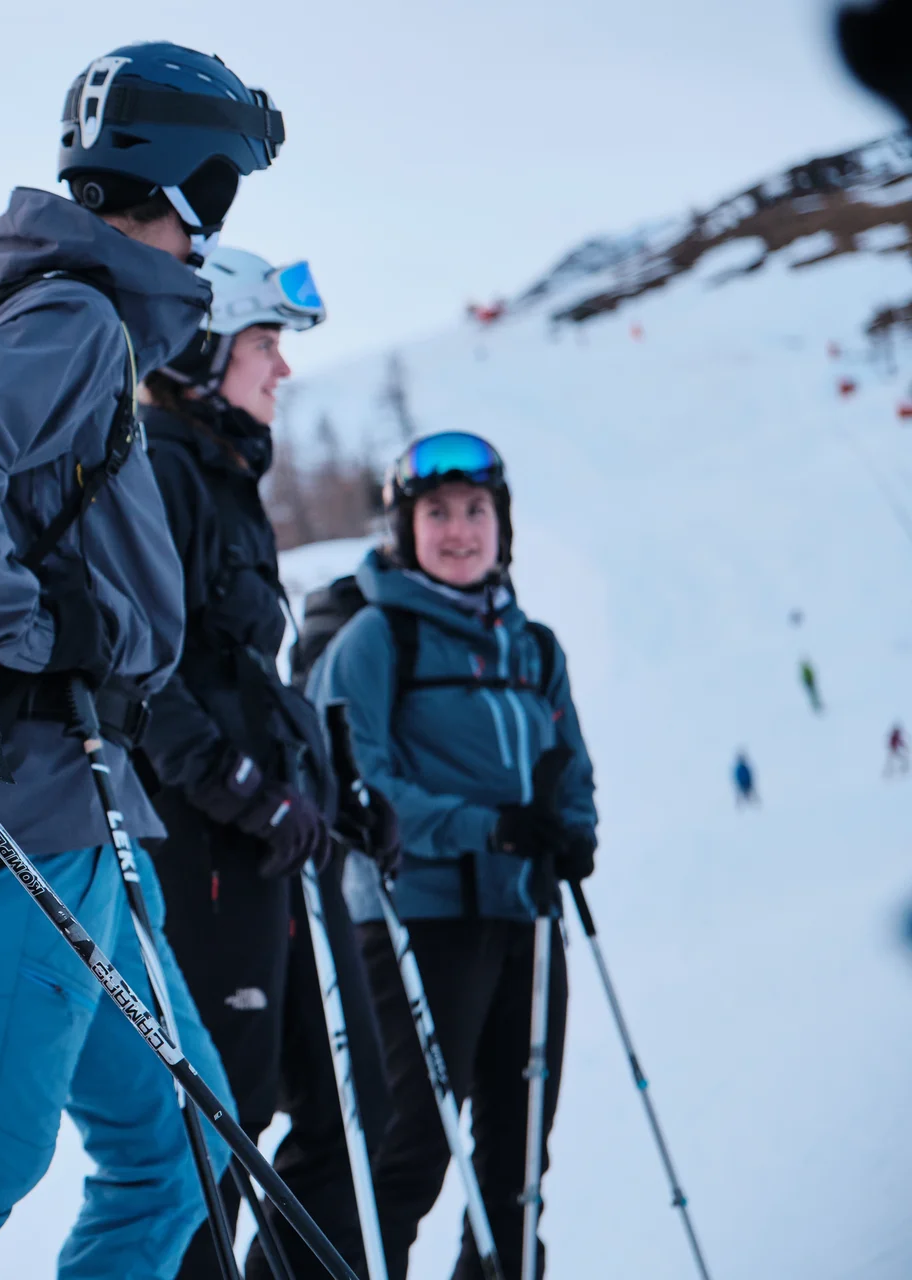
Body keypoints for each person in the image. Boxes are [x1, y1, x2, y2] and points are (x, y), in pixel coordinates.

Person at [0, 43, 285, 1280]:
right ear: (190, 186)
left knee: (181, 1146)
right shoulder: (79, 318)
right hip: (29, 804)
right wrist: (29, 633)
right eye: (223, 192)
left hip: (82, 800)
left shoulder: (75, 317)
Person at [137, 248, 396, 1280]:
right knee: (221, 1127)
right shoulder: (159, 467)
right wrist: (238, 787)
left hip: (273, 843)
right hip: (208, 844)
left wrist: (331, 789)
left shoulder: (220, 467)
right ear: (202, 349)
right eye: (264, 344)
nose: (281, 369)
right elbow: (145, 674)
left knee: (355, 1106)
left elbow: (249, 676)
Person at [310, 432, 597, 1279]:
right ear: (405, 528)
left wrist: (572, 829)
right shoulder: (375, 639)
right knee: (409, 1152)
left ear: (502, 526)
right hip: (415, 922)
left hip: (527, 917)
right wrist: (490, 827)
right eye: (437, 513)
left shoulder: (534, 646)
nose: (461, 530)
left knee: (517, 1162)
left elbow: (569, 761)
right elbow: (357, 783)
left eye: (477, 511)